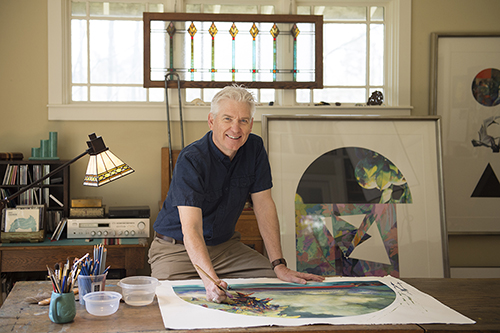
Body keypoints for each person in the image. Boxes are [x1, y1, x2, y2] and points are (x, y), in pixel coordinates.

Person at [149, 85, 324, 303]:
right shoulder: (191, 159)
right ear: (211, 121)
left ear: (251, 124)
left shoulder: (255, 148)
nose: (236, 128)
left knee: (278, 288)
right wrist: (211, 281)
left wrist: (278, 264)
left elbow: (263, 205)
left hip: (226, 249)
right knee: (169, 305)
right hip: (176, 250)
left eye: (243, 120)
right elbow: (191, 228)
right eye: (227, 119)